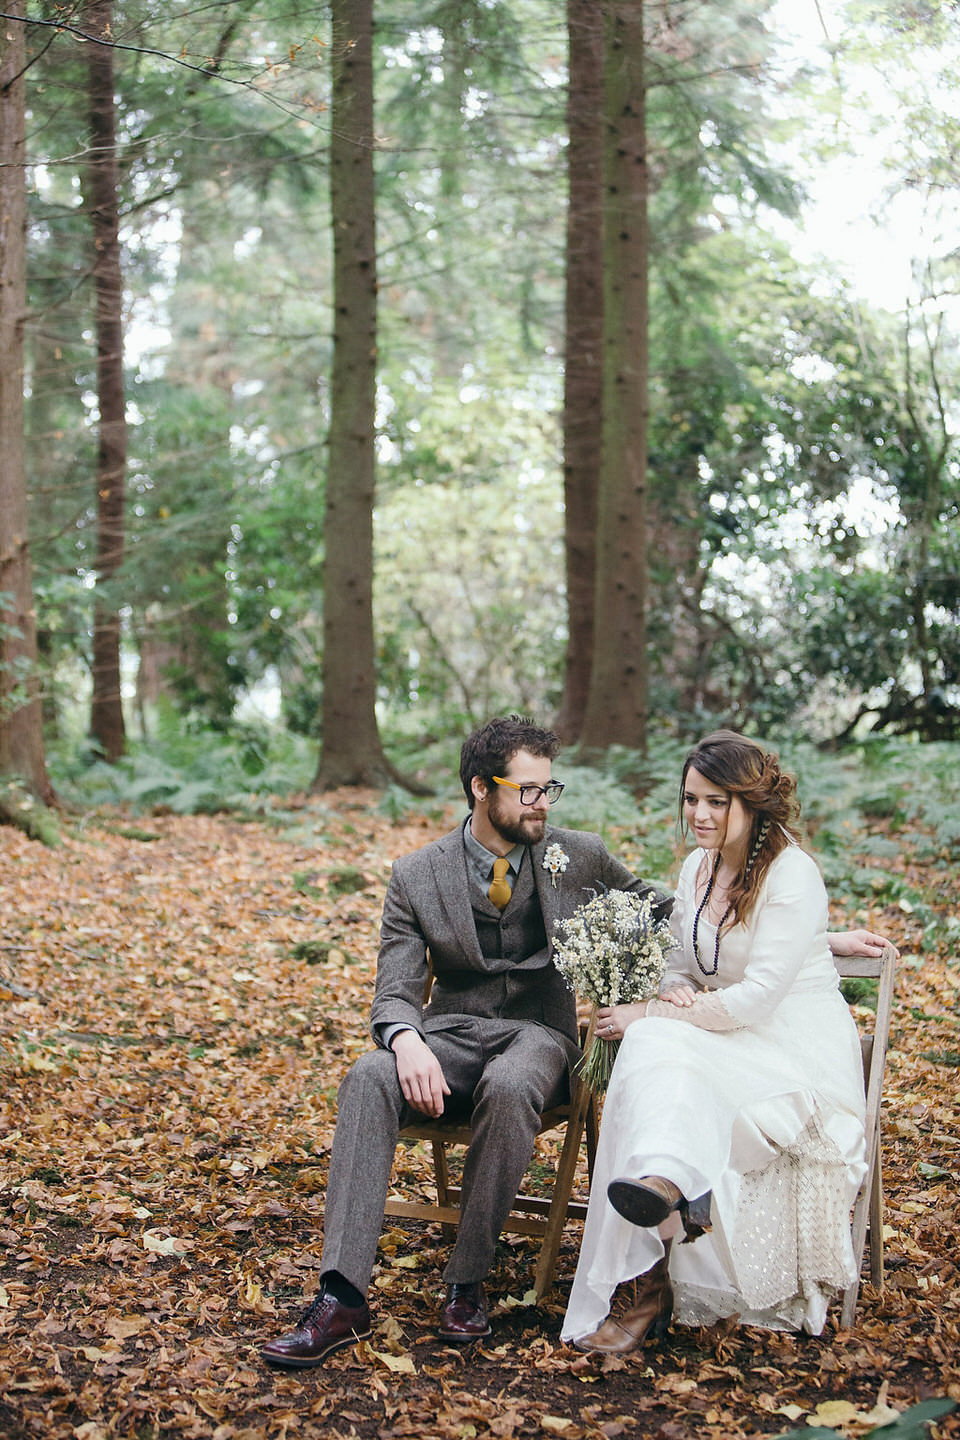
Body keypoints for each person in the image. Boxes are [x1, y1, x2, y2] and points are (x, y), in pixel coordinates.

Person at [262, 715, 671, 1368]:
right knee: (368, 1075)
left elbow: (664, 908)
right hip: (449, 1038)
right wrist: (404, 1040)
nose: (542, 803)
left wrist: (778, 936)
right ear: (482, 788)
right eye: (528, 790)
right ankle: (341, 1298)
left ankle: (466, 1280)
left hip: (541, 1041)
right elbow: (395, 989)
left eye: (548, 789)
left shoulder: (578, 853)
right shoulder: (416, 875)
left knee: (509, 1086)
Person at [561, 730, 892, 1354]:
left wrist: (656, 1011)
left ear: (752, 803)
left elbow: (758, 997)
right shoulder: (698, 867)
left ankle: (656, 1242)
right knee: (654, 1044)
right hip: (726, 1035)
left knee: (653, 1036)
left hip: (791, 1046)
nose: (699, 816)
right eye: (690, 800)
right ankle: (662, 1202)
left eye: (716, 802)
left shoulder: (794, 874)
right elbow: (686, 963)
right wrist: (673, 992)